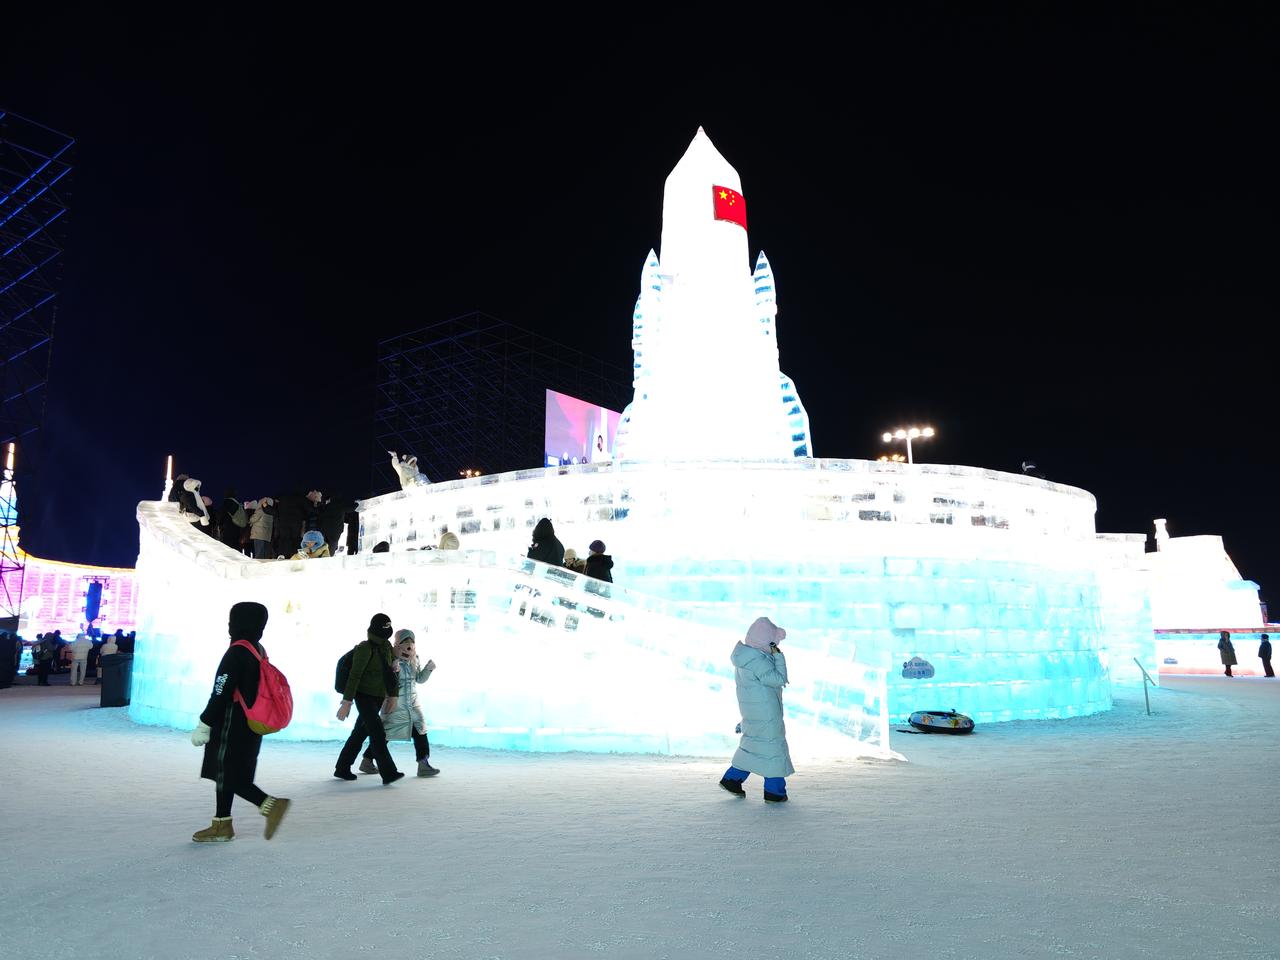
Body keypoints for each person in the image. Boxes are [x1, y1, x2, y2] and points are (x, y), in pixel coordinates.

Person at [189, 602, 291, 842]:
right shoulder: (258, 649)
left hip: (231, 723)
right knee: (230, 773)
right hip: (251, 723)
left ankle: (270, 805)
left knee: (229, 775)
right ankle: (222, 824)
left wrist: (205, 722)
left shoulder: (237, 651)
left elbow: (221, 689)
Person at [719, 617, 794, 803]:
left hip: (755, 713)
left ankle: (731, 779)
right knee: (773, 749)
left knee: (753, 747)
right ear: (766, 641)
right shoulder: (758, 660)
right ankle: (775, 792)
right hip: (766, 714)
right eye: (774, 642)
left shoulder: (747, 658)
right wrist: (779, 656)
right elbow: (779, 679)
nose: (776, 645)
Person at [334, 613, 404, 785]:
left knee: (360, 732)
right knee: (378, 733)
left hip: (379, 696)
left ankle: (342, 767)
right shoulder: (365, 648)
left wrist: (392, 695)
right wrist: (347, 702)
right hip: (363, 696)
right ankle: (388, 772)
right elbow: (355, 676)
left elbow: (389, 673)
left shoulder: (386, 646)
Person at [359, 629, 438, 778]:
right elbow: (387, 682)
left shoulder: (415, 659)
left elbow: (419, 679)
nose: (409, 645)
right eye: (405, 642)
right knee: (386, 733)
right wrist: (393, 671)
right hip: (395, 703)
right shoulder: (391, 659)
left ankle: (424, 763)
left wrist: (428, 669)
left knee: (421, 730)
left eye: (412, 642)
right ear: (398, 644)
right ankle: (367, 760)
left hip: (413, 704)